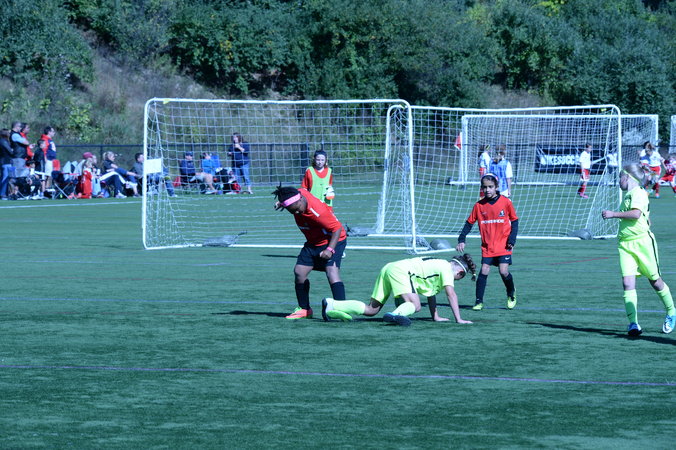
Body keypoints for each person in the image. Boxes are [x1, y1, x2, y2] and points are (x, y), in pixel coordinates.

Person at [601, 163, 675, 336]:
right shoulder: (630, 194)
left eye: (620, 177)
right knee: (627, 283)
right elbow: (643, 216)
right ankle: (633, 323)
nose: (618, 180)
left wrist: (613, 214)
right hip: (625, 245)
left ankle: (672, 311)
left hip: (642, 244)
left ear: (627, 177)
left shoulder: (638, 192)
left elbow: (635, 214)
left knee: (655, 281)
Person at [322, 254, 476, 326]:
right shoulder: (447, 270)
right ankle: (396, 315)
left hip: (389, 267)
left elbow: (431, 294)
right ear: (460, 273)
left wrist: (435, 316)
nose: (455, 281)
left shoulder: (439, 264)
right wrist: (459, 319)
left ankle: (332, 304)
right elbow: (451, 294)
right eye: (458, 279)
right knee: (415, 305)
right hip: (401, 272)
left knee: (371, 310)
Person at [272, 185, 347, 319]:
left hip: (333, 240)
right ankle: (305, 309)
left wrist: (329, 249)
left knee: (332, 272)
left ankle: (342, 309)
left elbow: (337, 229)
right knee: (299, 272)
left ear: (300, 199)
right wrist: (281, 202)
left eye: (297, 209)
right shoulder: (297, 196)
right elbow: (298, 190)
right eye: (292, 211)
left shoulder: (318, 211)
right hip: (313, 242)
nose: (297, 213)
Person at [456, 173, 519, 311]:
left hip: (504, 244)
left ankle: (511, 293)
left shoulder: (506, 202)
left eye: (490, 187)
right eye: (484, 187)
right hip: (488, 246)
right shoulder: (479, 206)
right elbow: (469, 223)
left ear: (496, 187)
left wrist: (512, 240)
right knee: (484, 270)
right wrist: (462, 239)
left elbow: (514, 221)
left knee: (503, 271)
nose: (487, 190)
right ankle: (478, 301)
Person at [0, 129, 14, 200]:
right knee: (5, 178)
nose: (9, 134)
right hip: (5, 162)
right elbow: (10, 151)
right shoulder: (3, 141)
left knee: (9, 177)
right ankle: (2, 194)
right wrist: (13, 150)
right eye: (8, 133)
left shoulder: (5, 141)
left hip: (8, 162)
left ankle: (7, 193)